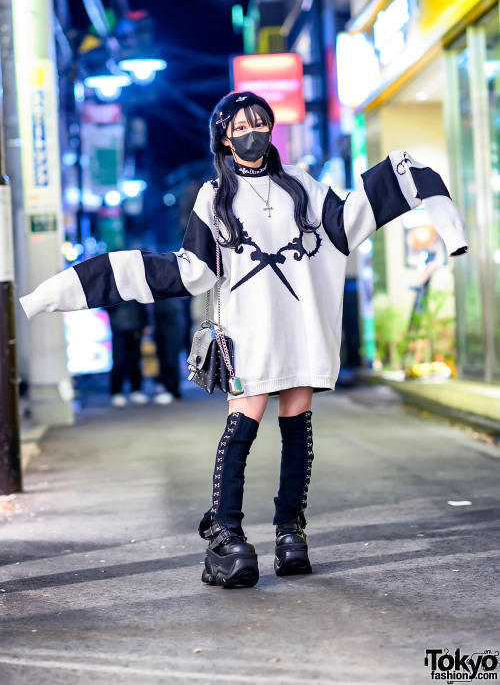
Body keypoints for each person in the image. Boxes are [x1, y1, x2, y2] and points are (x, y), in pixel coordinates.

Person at [19, 90, 468, 588]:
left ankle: (290, 532)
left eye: (260, 120)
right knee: (243, 428)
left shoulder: (300, 183)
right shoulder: (214, 196)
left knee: (298, 432)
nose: (253, 129)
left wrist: (414, 186)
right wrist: (62, 290)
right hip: (250, 330)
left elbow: (347, 222)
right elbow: (192, 270)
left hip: (300, 327)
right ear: (225, 138)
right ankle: (228, 536)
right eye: (241, 124)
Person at [106, 300, 150, 407]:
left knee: (135, 360)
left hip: (135, 326)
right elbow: (105, 304)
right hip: (119, 327)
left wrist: (145, 323)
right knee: (119, 360)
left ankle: (136, 390)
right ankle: (117, 392)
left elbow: (142, 302)